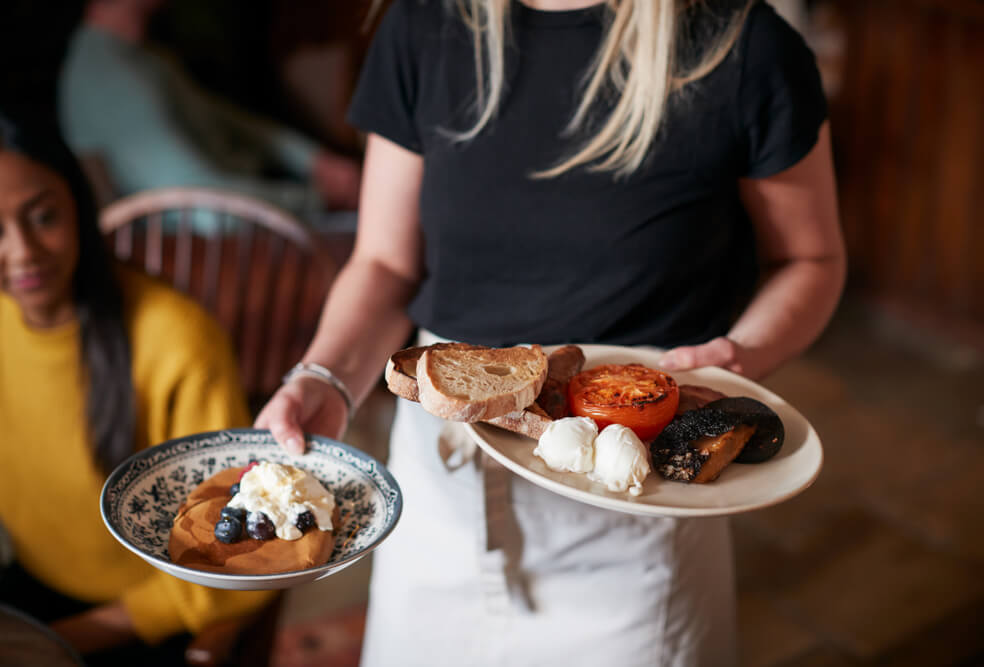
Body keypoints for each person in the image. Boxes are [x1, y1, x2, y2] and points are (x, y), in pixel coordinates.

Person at [256, 0, 846, 664]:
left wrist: (741, 356)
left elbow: (811, 259)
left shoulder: (739, 43)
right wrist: (325, 377)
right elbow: (386, 262)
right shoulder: (425, 23)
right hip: (436, 496)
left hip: (637, 515)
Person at [0, 110, 273, 665]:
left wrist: (69, 639)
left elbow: (239, 553)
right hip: (30, 583)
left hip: (150, 616)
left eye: (44, 216)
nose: (23, 252)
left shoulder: (177, 340)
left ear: (79, 205)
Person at [58, 0, 361, 226]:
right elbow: (200, 205)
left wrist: (313, 160)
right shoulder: (104, 72)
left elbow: (230, 121)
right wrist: (317, 198)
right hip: (205, 248)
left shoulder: (147, 58)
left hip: (249, 211)